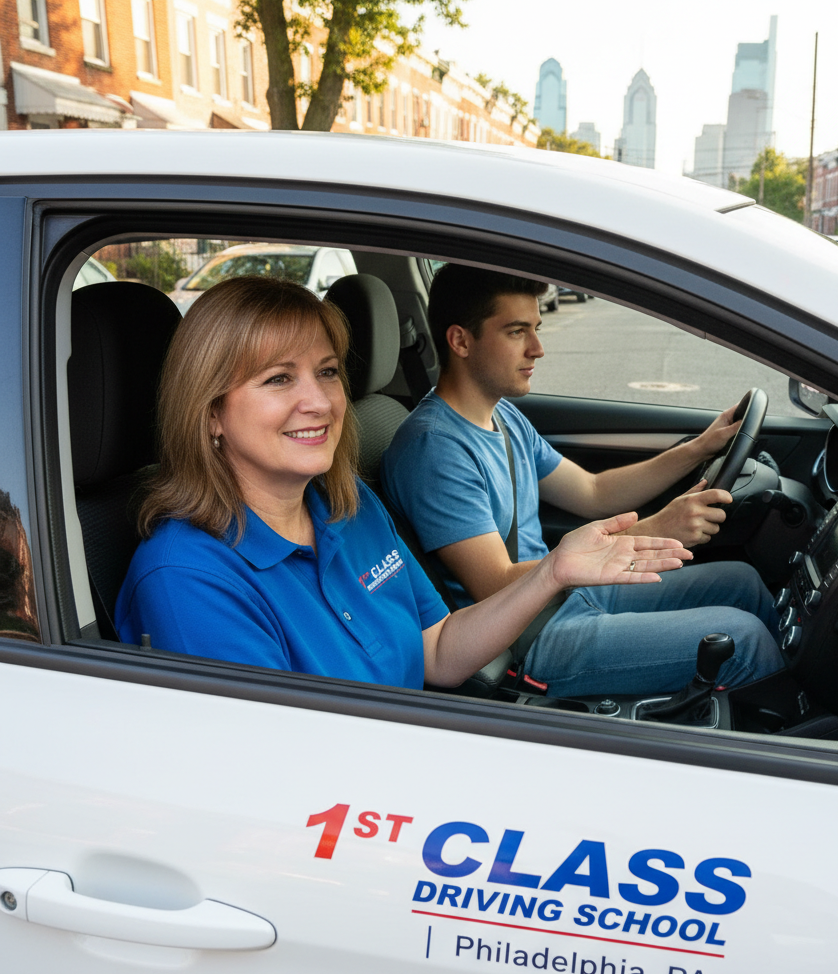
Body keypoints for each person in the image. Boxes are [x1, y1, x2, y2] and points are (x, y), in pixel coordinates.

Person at [115, 276, 685, 689]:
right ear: (211, 412)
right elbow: (281, 773)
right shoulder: (186, 580)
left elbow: (437, 650)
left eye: (328, 372)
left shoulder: (347, 503)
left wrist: (552, 571)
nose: (320, 402)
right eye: (278, 379)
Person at [380, 265, 786, 698]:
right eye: (517, 332)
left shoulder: (504, 416)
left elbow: (593, 492)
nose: (537, 349)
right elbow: (496, 584)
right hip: (524, 639)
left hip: (564, 594)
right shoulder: (435, 449)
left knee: (741, 582)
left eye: (536, 329)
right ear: (461, 341)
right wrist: (656, 528)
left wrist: (699, 448)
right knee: (742, 641)